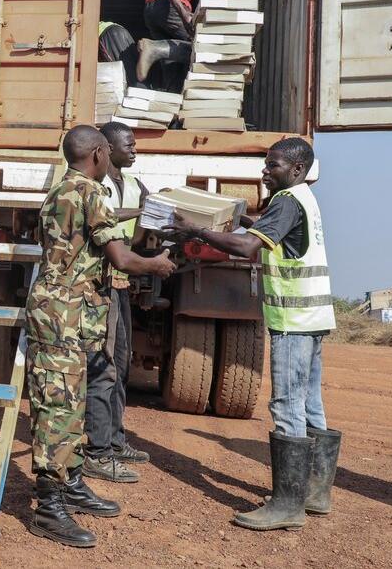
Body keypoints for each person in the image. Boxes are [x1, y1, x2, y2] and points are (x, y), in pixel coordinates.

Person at [167, 137, 341, 532]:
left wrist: (197, 231)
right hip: (312, 318)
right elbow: (266, 235)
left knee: (286, 405)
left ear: (296, 169)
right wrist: (242, 220)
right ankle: (315, 494)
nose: (265, 170)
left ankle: (287, 504)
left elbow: (247, 248)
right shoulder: (304, 199)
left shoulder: (286, 202)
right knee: (311, 403)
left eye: (273, 165)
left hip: (292, 322)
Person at [26, 125, 175, 549]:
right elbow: (121, 257)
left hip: (64, 313)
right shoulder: (90, 193)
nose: (111, 158)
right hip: (62, 317)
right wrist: (157, 265)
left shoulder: (62, 191)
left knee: (70, 403)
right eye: (109, 151)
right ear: (97, 152)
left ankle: (70, 483)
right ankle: (48, 507)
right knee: (57, 409)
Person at [82, 122, 152, 485]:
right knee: (104, 366)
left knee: (121, 364)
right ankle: (99, 449)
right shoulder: (92, 187)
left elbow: (139, 234)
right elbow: (105, 225)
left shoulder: (136, 186)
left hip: (122, 284)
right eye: (129, 143)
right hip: (104, 282)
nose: (134, 149)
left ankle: (115, 439)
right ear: (105, 148)